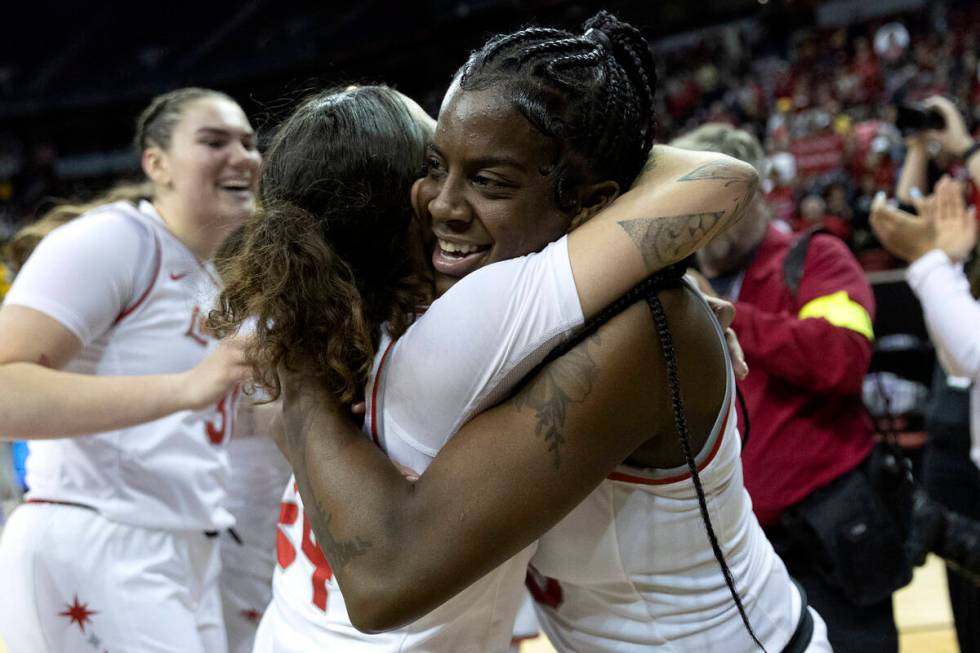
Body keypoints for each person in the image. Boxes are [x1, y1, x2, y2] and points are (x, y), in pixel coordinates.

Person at [214, 13, 826, 653]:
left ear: (590, 201)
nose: (444, 204)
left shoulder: (616, 323)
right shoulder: (453, 328)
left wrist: (669, 284)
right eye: (434, 166)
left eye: (487, 178)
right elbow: (713, 176)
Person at [0, 87, 258, 653]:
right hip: (102, 538)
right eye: (214, 141)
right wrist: (186, 388)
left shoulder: (209, 276)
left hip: (185, 547)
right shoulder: (116, 240)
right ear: (156, 163)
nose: (243, 156)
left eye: (248, 142)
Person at [675, 123, 900, 653]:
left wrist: (729, 318)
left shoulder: (816, 257)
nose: (696, 221)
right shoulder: (679, 284)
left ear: (750, 191)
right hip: (739, 549)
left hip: (827, 541)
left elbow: (840, 358)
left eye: (710, 199)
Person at [885, 93, 980, 653]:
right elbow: (907, 210)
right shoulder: (955, 218)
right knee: (964, 582)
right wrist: (920, 145)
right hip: (953, 414)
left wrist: (964, 143)